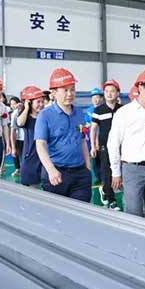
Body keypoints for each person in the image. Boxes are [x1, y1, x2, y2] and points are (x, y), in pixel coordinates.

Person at [107, 69, 145, 220]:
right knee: (133, 215)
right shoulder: (124, 113)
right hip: (132, 170)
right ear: (140, 87)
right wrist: (116, 172)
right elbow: (113, 144)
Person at [35, 68, 92, 202]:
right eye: (65, 90)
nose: (70, 94)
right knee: (57, 212)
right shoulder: (45, 115)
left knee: (81, 211)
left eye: (72, 89)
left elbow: (82, 140)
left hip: (80, 173)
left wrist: (88, 167)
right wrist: (51, 170)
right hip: (57, 174)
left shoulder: (79, 113)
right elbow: (40, 145)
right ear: (54, 93)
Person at [90, 79, 122, 209]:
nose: (109, 94)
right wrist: (93, 146)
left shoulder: (122, 110)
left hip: (121, 146)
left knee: (120, 171)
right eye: (106, 91)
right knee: (106, 172)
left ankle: (105, 189)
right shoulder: (98, 110)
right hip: (104, 146)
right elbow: (93, 128)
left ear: (117, 93)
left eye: (112, 91)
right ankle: (111, 199)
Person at [17, 85, 45, 187]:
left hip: (44, 155)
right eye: (38, 102)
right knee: (32, 187)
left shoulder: (45, 117)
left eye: (42, 102)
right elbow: (19, 123)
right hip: (31, 157)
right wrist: (26, 108)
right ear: (30, 102)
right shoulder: (27, 118)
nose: (41, 104)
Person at [85, 87, 103, 181]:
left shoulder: (104, 109)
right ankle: (97, 177)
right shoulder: (89, 111)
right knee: (95, 159)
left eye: (97, 97)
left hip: (103, 140)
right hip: (92, 140)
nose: (95, 100)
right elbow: (85, 125)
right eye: (93, 97)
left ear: (101, 98)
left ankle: (104, 178)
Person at [9, 96, 23, 176]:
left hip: (26, 139)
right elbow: (13, 130)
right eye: (11, 104)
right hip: (18, 138)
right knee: (15, 154)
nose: (13, 106)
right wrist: (13, 147)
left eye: (14, 104)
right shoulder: (14, 113)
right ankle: (18, 169)